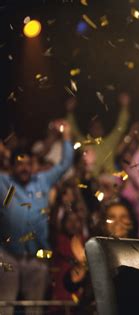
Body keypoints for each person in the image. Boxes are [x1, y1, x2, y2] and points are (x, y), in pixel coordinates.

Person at [0, 120, 74, 315]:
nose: (24, 168)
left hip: (37, 256)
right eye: (19, 163)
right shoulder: (3, 181)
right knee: (4, 306)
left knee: (35, 307)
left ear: (33, 164)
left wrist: (66, 135)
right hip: (8, 255)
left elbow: (65, 163)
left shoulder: (42, 180)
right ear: (12, 165)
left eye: (27, 163)